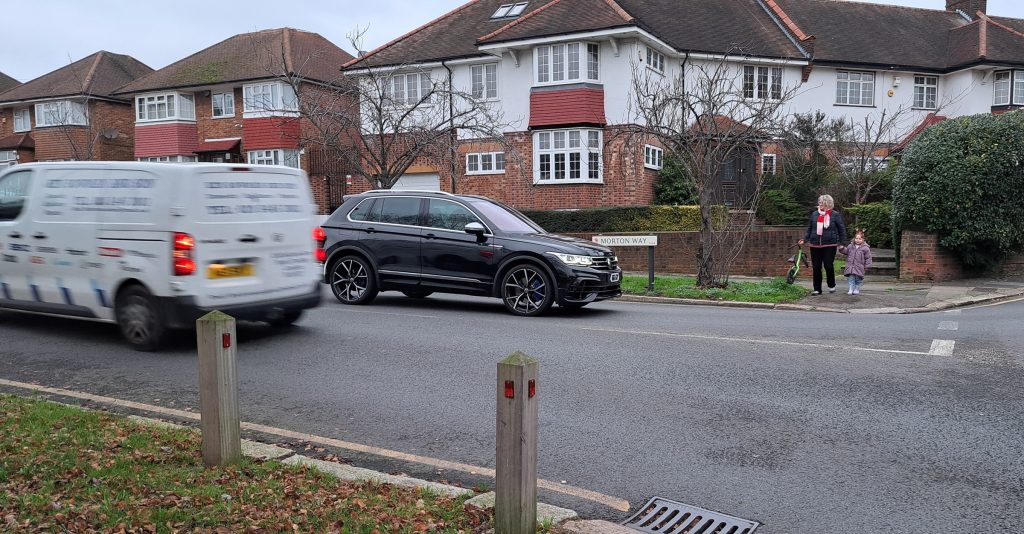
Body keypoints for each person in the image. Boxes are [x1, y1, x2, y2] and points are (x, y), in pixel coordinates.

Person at [798, 194, 847, 295]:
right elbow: (810, 229)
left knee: (828, 266)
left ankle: (831, 284)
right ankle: (817, 289)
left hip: (830, 244)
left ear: (828, 204)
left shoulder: (835, 215)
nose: (820, 204)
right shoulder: (814, 214)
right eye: (819, 202)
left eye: (822, 203)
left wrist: (842, 243)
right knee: (816, 267)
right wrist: (805, 239)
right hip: (815, 244)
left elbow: (841, 229)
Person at [839, 229, 872, 295]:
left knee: (858, 279)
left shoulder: (865, 248)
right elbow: (846, 251)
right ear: (854, 238)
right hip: (851, 266)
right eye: (856, 238)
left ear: (863, 240)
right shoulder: (850, 246)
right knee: (851, 278)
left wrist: (867, 266)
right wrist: (842, 248)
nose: (857, 240)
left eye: (860, 239)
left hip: (859, 267)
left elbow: (868, 258)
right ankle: (851, 288)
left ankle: (856, 288)